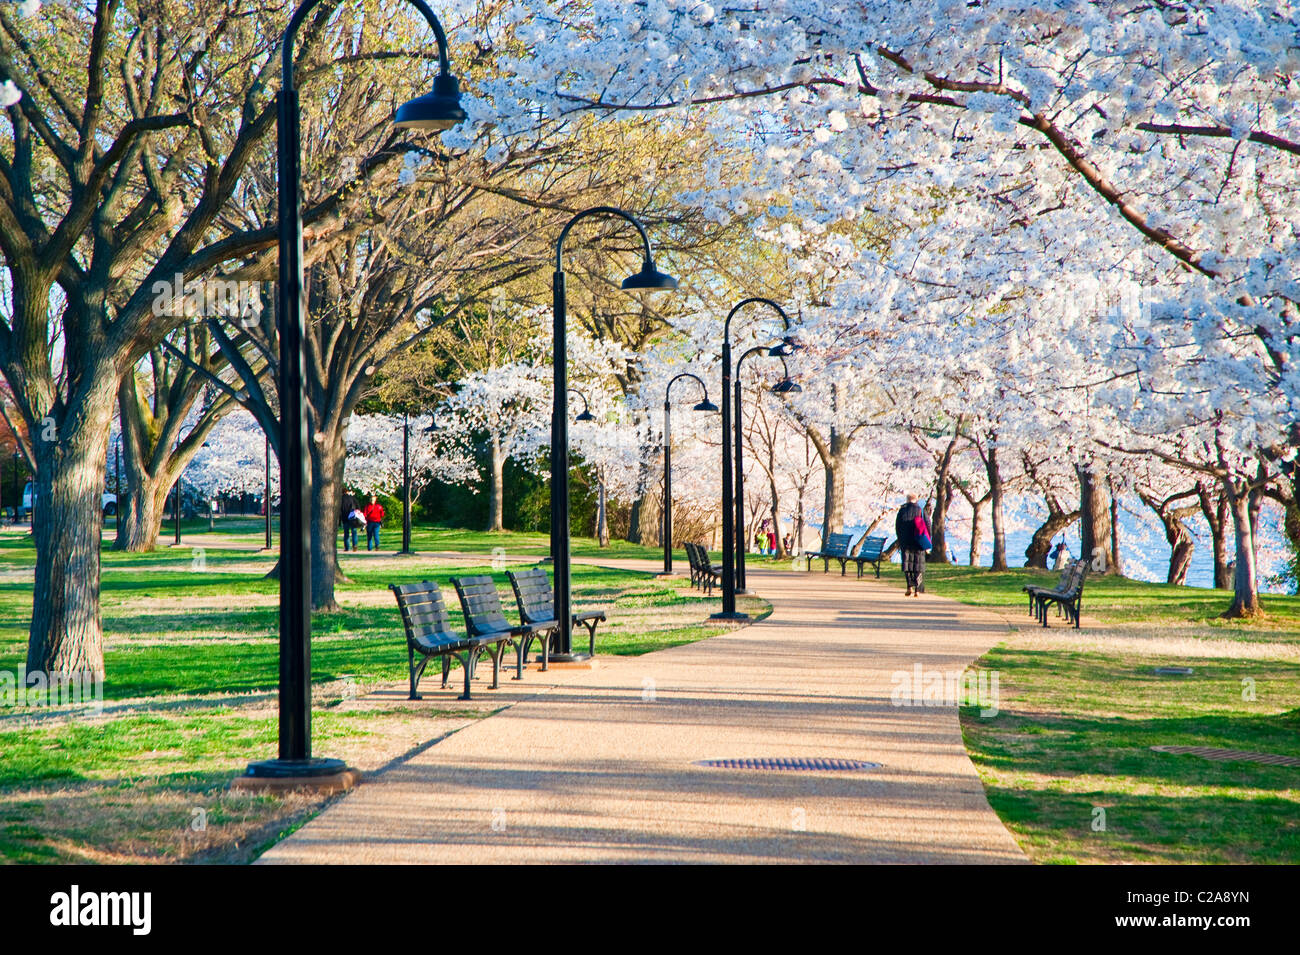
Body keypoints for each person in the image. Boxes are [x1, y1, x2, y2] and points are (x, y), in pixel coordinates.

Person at [894, 492, 931, 597]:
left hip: (906, 542)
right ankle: (917, 590)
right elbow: (928, 525)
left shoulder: (902, 511)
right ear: (916, 499)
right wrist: (927, 540)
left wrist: (901, 539)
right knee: (918, 566)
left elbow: (897, 526)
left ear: (907, 500)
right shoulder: (921, 511)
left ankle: (909, 586)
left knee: (908, 565)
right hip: (918, 542)